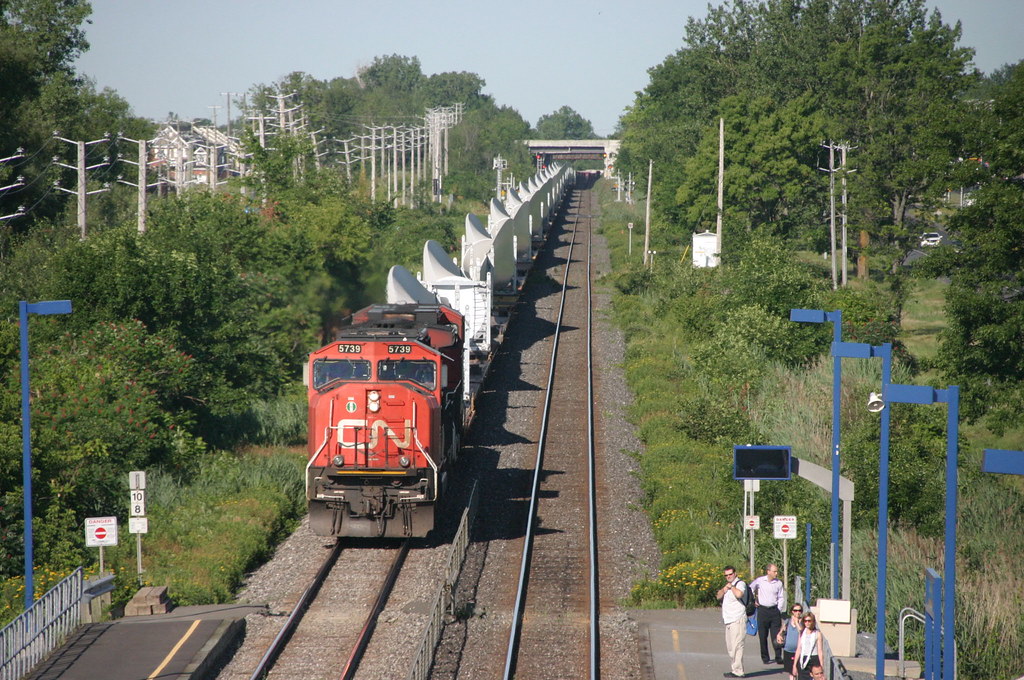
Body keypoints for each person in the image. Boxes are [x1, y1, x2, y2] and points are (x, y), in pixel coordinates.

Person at [750, 563, 785, 664]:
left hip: (774, 611)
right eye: (774, 571)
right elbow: (750, 588)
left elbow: (781, 597)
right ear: (768, 571)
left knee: (776, 635)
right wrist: (754, 600)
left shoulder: (778, 583)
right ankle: (765, 657)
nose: (776, 573)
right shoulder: (760, 581)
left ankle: (778, 656)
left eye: (777, 571)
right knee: (763, 635)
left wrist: (778, 609)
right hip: (763, 610)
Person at [716, 565, 747, 678]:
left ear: (735, 574)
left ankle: (739, 671)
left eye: (730, 574)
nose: (728, 576)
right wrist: (725, 589)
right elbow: (718, 596)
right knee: (730, 647)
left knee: (737, 646)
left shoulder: (740, 584)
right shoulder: (727, 586)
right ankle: (734, 668)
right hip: (728, 620)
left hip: (738, 619)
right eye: (726, 575)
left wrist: (732, 587)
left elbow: (739, 594)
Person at [792, 611, 824, 680]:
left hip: (813, 659)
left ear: (813, 621)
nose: (807, 623)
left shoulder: (817, 634)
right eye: (805, 621)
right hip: (802, 659)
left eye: (809, 621)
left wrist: (821, 666)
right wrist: (794, 665)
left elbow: (820, 651)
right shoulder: (802, 633)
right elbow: (799, 649)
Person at [776, 603, 803, 679]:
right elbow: (781, 632)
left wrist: (796, 622)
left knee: (798, 671)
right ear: (792, 611)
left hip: (799, 651)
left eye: (799, 611)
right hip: (788, 650)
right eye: (795, 610)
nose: (797, 612)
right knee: (791, 672)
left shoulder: (803, 622)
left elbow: (801, 631)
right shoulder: (788, 621)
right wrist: (779, 635)